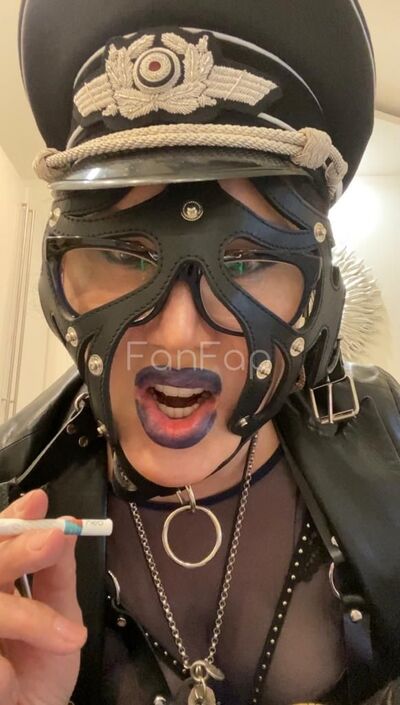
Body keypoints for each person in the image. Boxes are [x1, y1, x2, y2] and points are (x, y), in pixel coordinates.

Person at [0, 1, 399, 704]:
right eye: (123, 255)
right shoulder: (12, 485)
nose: (179, 335)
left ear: (316, 293)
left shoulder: (390, 435)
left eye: (247, 262)